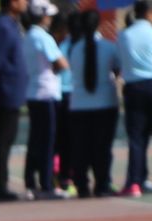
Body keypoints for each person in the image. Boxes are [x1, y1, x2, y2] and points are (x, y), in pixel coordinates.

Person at [64, 9, 123, 196]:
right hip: (104, 103)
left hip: (79, 104)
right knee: (102, 147)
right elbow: (117, 69)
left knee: (81, 147)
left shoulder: (74, 49)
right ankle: (102, 183)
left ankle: (82, 184)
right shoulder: (108, 47)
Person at [0, 0, 33, 199]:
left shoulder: (12, 24)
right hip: (5, 92)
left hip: (12, 92)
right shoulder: (2, 26)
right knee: (1, 140)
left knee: (6, 139)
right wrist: (9, 76)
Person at [121, 0, 152, 193]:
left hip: (133, 87)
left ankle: (135, 181)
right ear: (150, 13)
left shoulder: (124, 35)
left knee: (137, 137)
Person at [25, 0, 67, 196]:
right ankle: (47, 184)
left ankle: (30, 180)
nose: (50, 18)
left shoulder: (28, 37)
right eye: (48, 15)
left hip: (33, 93)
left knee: (35, 139)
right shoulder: (44, 37)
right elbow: (61, 63)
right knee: (48, 141)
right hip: (47, 92)